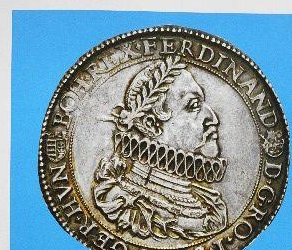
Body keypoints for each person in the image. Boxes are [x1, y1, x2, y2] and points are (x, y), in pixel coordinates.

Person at [92, 55, 228, 240]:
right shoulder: (125, 204)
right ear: (151, 124)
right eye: (193, 105)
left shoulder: (211, 204)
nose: (213, 118)